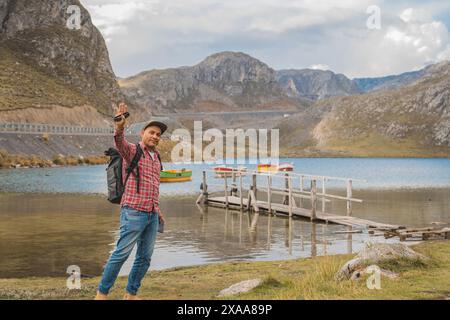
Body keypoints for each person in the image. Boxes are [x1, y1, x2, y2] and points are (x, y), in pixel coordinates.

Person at [95, 102, 167, 300]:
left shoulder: (156, 157)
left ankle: (131, 294)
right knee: (120, 254)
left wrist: (157, 210)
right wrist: (120, 126)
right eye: (152, 132)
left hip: (152, 214)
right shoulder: (133, 151)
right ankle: (101, 294)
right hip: (133, 212)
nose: (155, 136)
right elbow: (119, 141)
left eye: (158, 134)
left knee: (144, 258)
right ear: (143, 133)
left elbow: (153, 186)